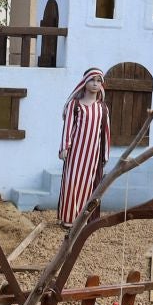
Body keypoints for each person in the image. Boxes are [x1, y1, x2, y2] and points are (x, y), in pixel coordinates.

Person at [56, 67, 110, 227]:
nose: (95, 84)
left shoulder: (102, 107)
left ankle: (84, 219)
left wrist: (105, 154)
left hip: (93, 155)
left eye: (99, 81)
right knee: (71, 182)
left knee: (88, 186)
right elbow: (67, 127)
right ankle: (68, 218)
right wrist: (65, 147)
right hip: (75, 153)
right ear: (85, 82)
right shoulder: (75, 104)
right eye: (92, 80)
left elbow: (106, 132)